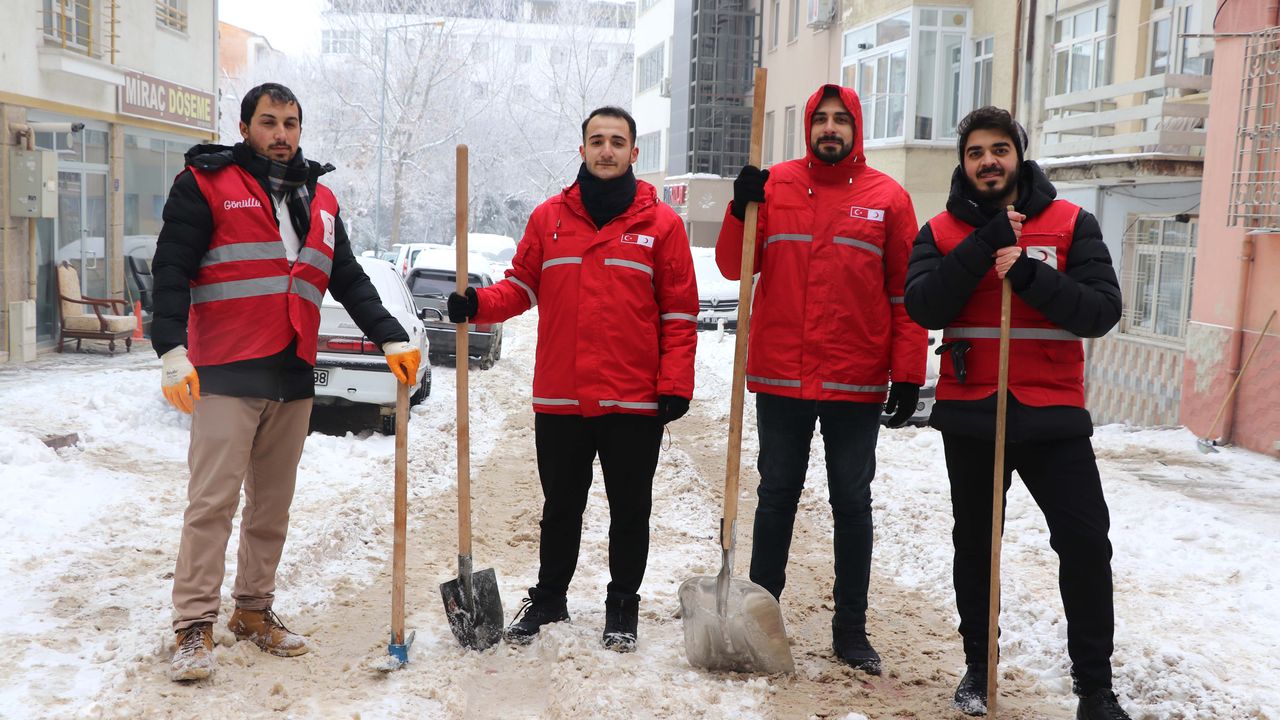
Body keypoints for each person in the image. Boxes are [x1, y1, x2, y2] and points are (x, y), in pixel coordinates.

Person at [152, 83, 420, 682]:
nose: (280, 134)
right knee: (212, 505)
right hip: (225, 369)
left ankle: (252, 610)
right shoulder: (205, 184)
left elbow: (347, 277)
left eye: (290, 123)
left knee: (271, 507)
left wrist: (390, 336)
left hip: (292, 371)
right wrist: (171, 349)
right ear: (245, 127)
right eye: (269, 122)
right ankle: (193, 625)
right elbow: (169, 269)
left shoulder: (320, 198)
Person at [903, 106, 1131, 719]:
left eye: (999, 149)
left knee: (1086, 544)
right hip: (973, 415)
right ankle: (979, 668)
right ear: (963, 163)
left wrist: (1027, 272)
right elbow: (924, 305)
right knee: (977, 547)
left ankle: (1095, 687)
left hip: (1053, 415)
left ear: (1019, 156)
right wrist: (983, 245)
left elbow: (1100, 312)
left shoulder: (1071, 223)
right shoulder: (939, 232)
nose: (988, 161)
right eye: (976, 152)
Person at [447, 106, 697, 653]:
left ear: (634, 152)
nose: (606, 150)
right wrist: (478, 303)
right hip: (561, 395)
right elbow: (521, 286)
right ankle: (550, 598)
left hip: (633, 398)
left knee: (630, 510)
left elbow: (679, 313)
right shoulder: (549, 219)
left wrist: (676, 381)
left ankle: (622, 605)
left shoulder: (663, 225)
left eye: (617, 141)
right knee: (560, 508)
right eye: (597, 140)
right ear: (582, 150)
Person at [715, 84, 927, 675]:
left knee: (852, 504)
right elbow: (734, 266)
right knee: (776, 496)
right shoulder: (775, 186)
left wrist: (909, 372)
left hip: (855, 377)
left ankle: (850, 629)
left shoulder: (889, 198)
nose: (829, 129)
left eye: (841, 120)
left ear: (856, 128)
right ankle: (762, 619)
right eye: (820, 120)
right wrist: (739, 208)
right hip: (781, 374)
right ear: (808, 128)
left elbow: (905, 294)